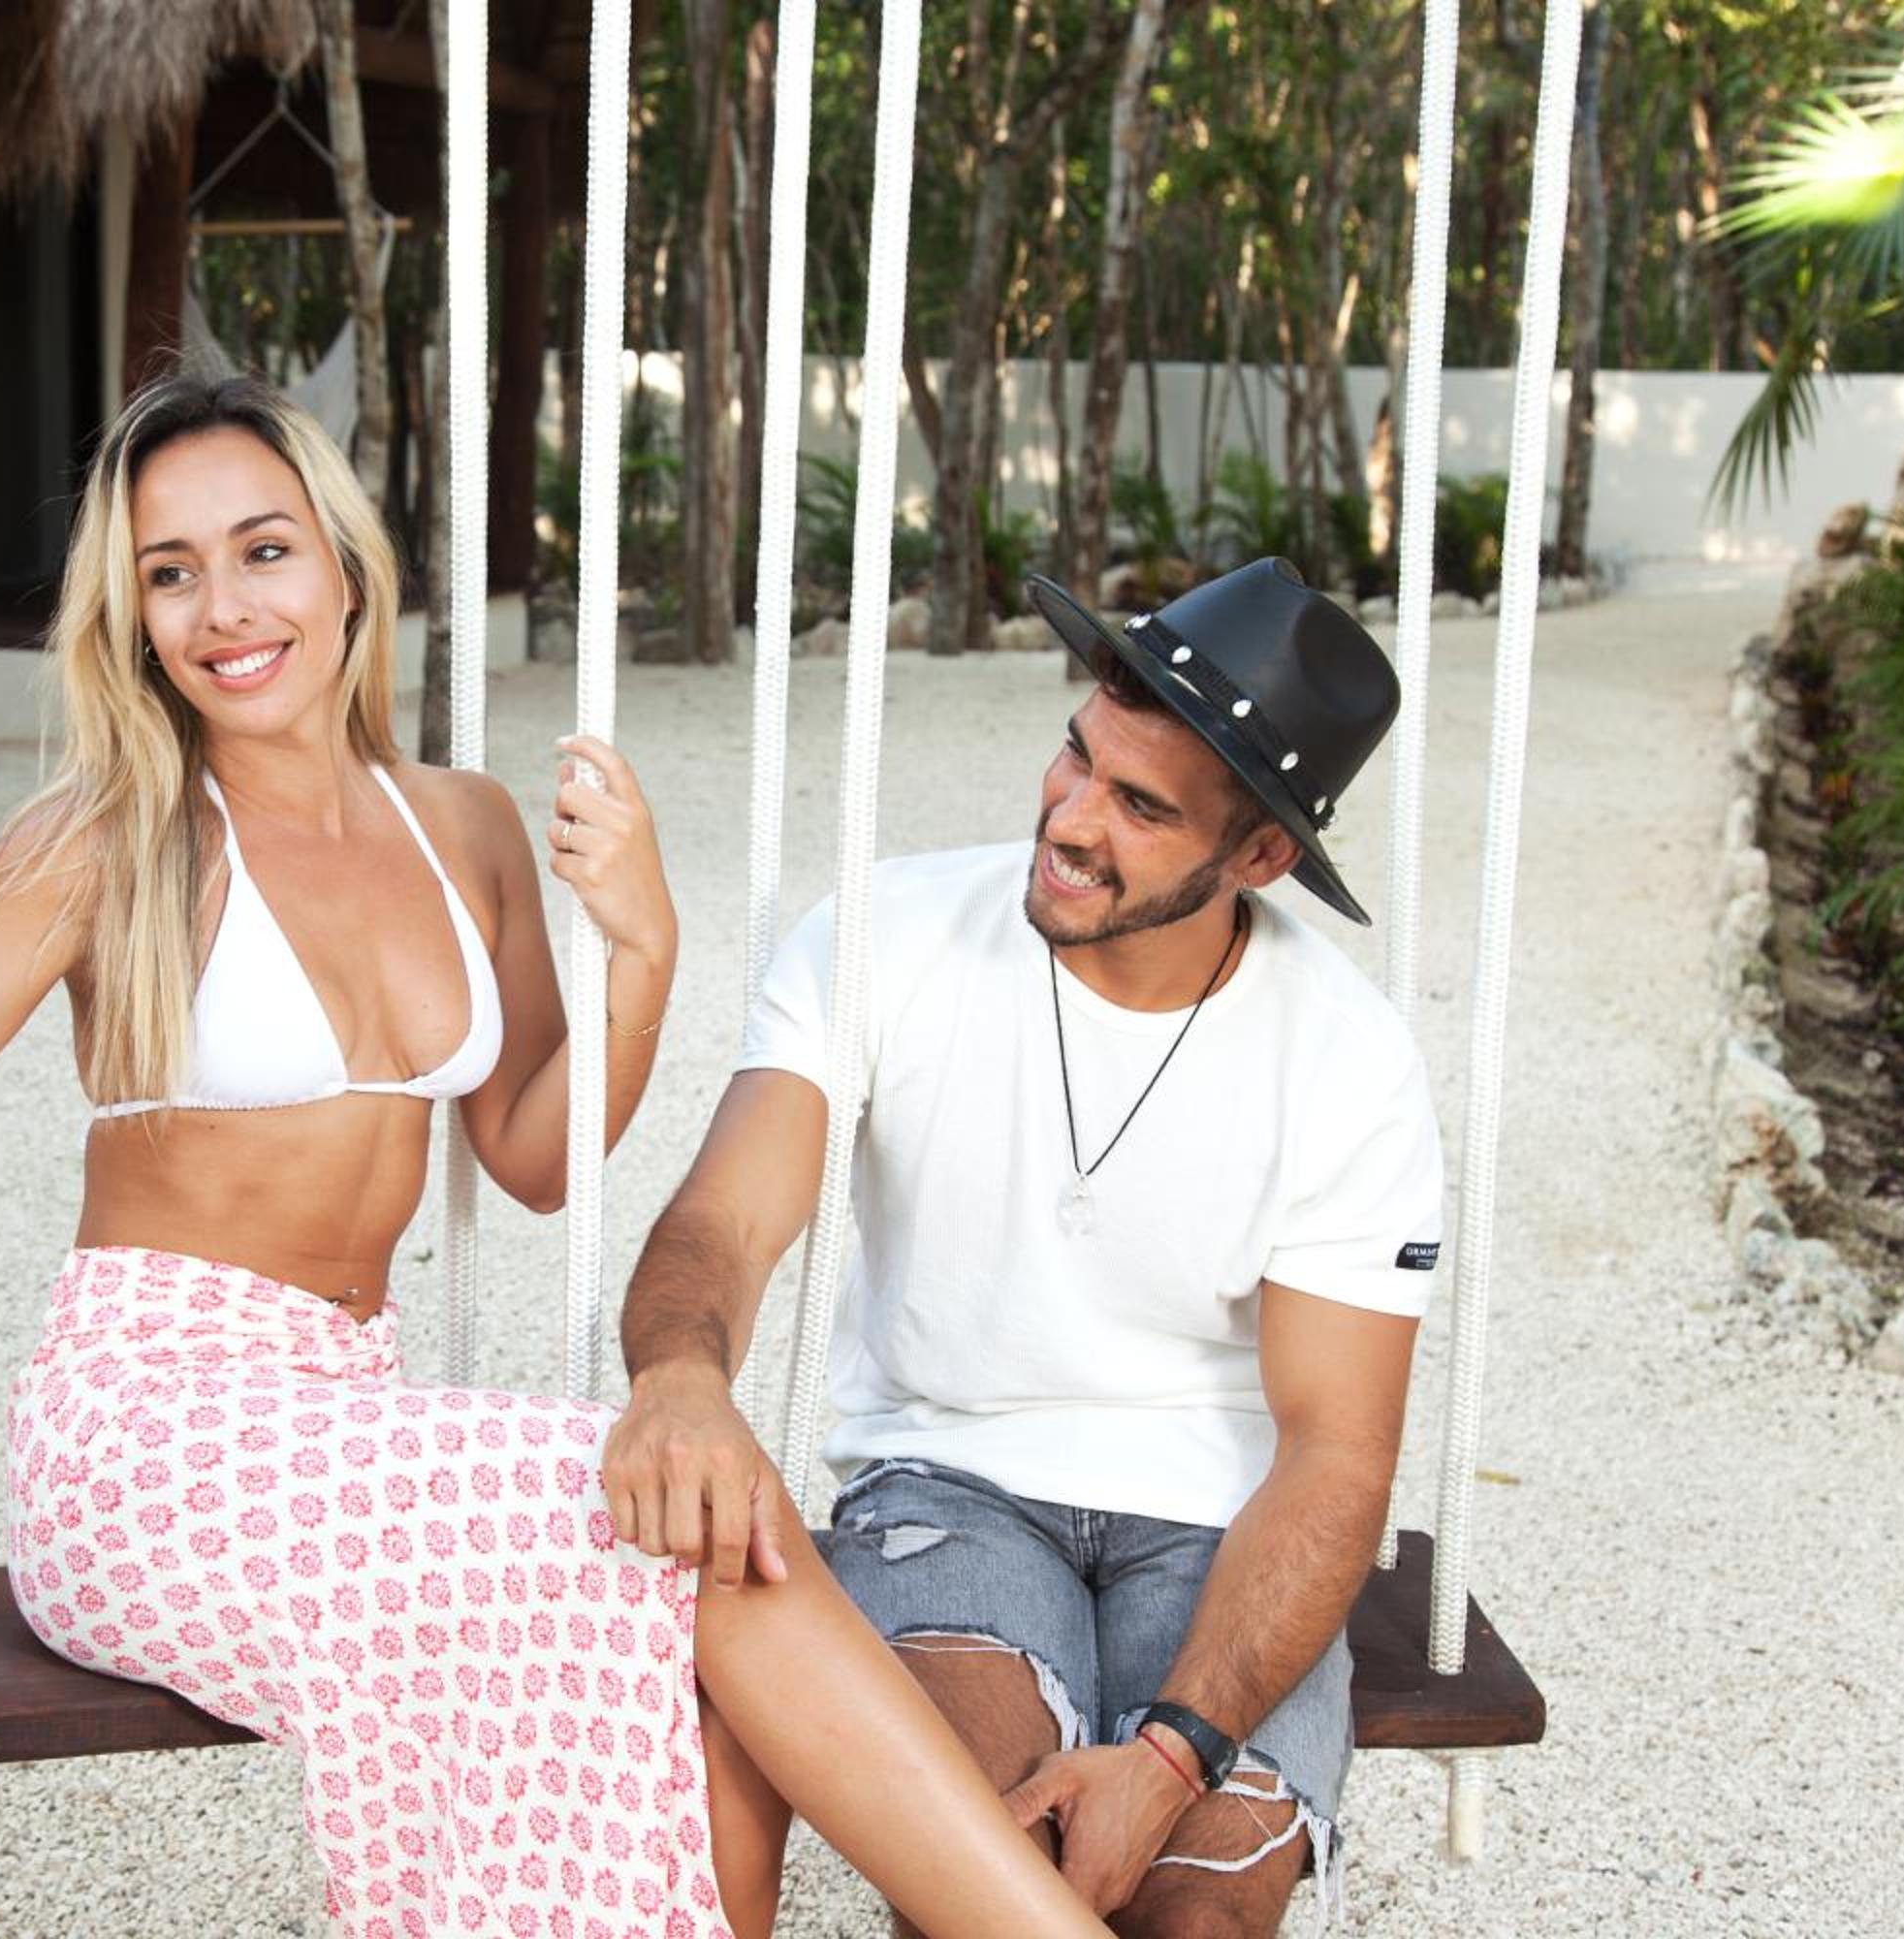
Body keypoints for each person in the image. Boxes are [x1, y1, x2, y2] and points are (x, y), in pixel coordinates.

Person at [0, 372, 1105, 1939]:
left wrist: (643, 948)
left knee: (688, 1606)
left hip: (341, 1414)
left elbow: (540, 1157)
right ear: (134, 617)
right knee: (687, 1506)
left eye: (264, 551)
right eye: (171, 573)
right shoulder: (110, 836)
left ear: (347, 569)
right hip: (144, 1439)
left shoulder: (464, 827)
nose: (226, 608)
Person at [601, 558, 1446, 1937]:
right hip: (955, 1480)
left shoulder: (1351, 1061)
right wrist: (682, 1377)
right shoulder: (886, 936)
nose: (1070, 817)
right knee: (984, 1874)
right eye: (1077, 755)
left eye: (1141, 806)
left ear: (1259, 859)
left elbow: (1336, 1454)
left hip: (1227, 1519)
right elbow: (722, 1222)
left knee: (1198, 1917)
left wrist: (1170, 1761)